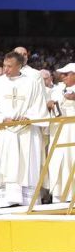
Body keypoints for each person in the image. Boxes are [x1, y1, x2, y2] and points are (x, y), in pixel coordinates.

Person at [0, 51, 50, 208]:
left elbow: (39, 104)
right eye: (5, 65)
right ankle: (7, 200)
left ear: (19, 66)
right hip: (5, 130)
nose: (6, 69)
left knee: (27, 164)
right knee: (7, 165)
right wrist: (2, 118)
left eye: (10, 66)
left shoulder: (32, 83)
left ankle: (28, 200)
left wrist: (29, 116)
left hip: (27, 130)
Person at [47, 63, 75, 203]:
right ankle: (59, 196)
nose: (63, 77)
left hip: (72, 131)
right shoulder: (57, 90)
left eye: (67, 74)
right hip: (59, 131)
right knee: (58, 162)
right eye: (62, 74)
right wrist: (50, 104)